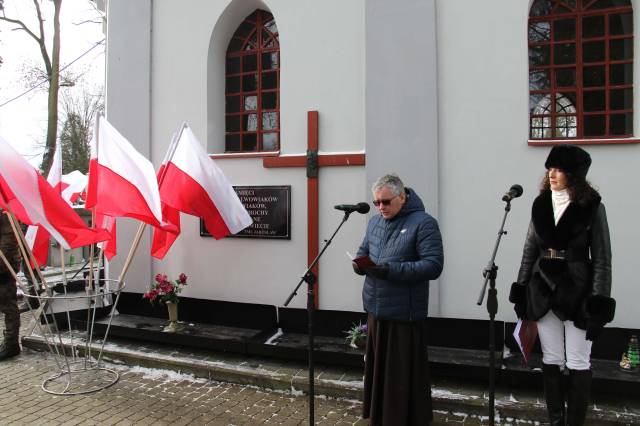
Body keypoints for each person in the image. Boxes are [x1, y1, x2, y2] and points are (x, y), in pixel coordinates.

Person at [509, 145, 615, 426]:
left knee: (579, 361)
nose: (551, 174)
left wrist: (599, 302)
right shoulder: (540, 204)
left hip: (579, 291)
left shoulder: (592, 207)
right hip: (542, 287)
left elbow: (603, 259)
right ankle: (556, 420)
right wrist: (521, 289)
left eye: (559, 169)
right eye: (550, 168)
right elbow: (529, 251)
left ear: (574, 174)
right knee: (552, 358)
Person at [352, 174, 444, 425]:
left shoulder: (424, 223)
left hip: (404, 312)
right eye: (376, 203)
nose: (381, 207)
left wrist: (391, 270)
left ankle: (402, 418)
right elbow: (363, 252)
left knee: (399, 375)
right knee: (379, 370)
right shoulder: (373, 223)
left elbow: (433, 266)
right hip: (376, 307)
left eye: (386, 202)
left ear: (402, 197)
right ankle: (380, 416)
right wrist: (359, 265)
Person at [0, 210, 22, 360]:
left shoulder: (6, 212)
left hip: (4, 267)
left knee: (8, 306)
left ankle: (11, 344)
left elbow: (9, 243)